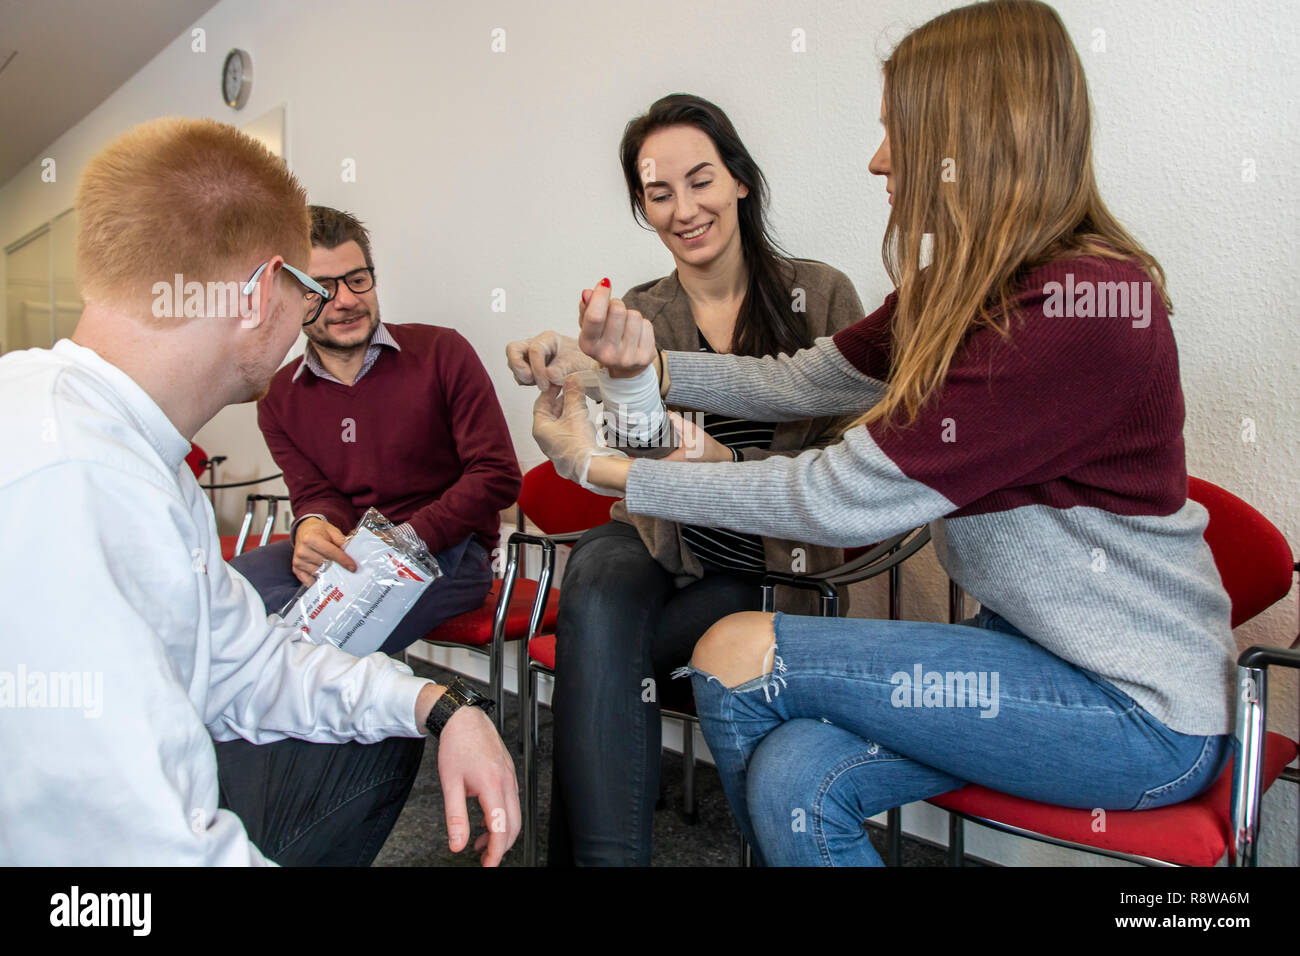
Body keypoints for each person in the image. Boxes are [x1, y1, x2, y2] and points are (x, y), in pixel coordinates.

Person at [528, 0, 1236, 866]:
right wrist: (604, 367)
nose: (877, 160)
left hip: (1136, 706)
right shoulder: (962, 287)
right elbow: (803, 378)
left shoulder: (1080, 312)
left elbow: (833, 495)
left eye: (897, 131)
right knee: (793, 775)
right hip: (1022, 650)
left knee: (733, 653)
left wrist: (602, 469)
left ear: (968, 135)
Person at [0, 118, 519, 866]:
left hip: (438, 558)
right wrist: (318, 525)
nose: (324, 308)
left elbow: (242, 661)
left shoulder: (124, 449)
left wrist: (437, 703)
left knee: (377, 727)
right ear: (255, 297)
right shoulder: (72, 480)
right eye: (307, 289)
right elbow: (128, 861)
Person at [508, 93, 865, 865]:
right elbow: (631, 453)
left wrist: (728, 464)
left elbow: (850, 470)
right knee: (601, 574)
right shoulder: (640, 311)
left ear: (740, 179)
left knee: (596, 653)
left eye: (700, 180)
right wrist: (571, 377)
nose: (683, 209)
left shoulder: (823, 295)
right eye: (658, 193)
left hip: (763, 566)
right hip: (658, 545)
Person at [229, 206, 521, 656]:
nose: (345, 300)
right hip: (352, 549)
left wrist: (399, 542)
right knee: (228, 595)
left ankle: (396, 718)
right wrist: (312, 525)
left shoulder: (443, 352)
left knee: (327, 640)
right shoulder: (278, 397)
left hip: (454, 552)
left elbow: (496, 473)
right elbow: (318, 493)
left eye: (357, 279)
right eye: (320, 290)